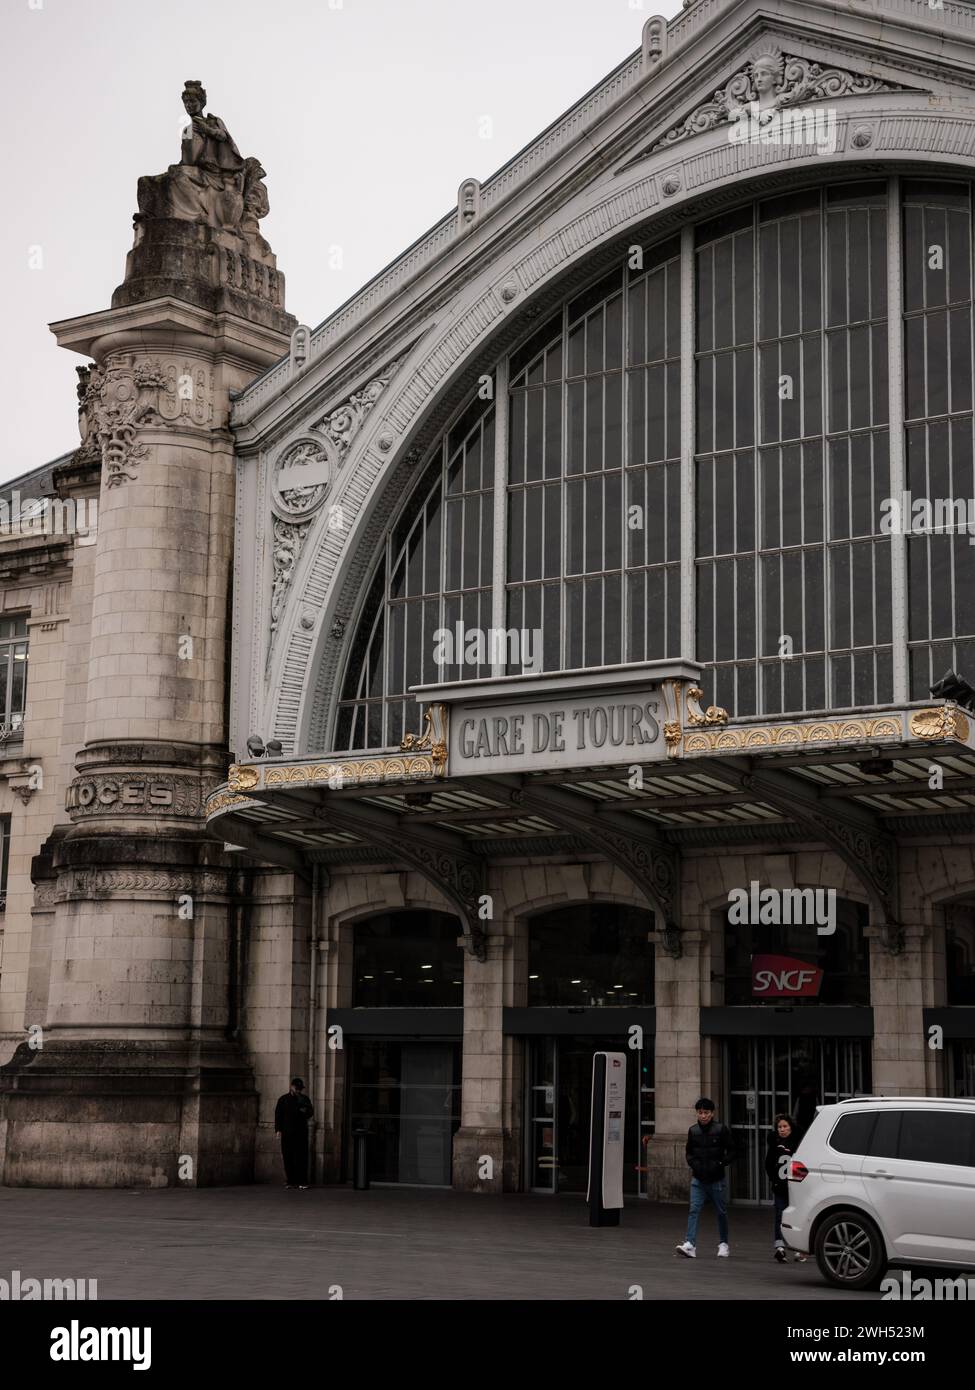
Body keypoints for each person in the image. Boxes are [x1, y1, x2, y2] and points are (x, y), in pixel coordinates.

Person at [675, 1097, 736, 1258]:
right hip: (698, 1178)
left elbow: (732, 1150)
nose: (703, 1116)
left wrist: (721, 1163)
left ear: (712, 1113)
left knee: (721, 1212)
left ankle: (724, 1243)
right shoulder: (693, 1131)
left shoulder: (721, 1129)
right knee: (693, 1209)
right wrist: (694, 1164)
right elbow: (689, 1152)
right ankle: (690, 1244)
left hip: (716, 1178)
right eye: (700, 1113)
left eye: (706, 1113)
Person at [764, 1113, 806, 1262]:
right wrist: (774, 1180)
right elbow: (768, 1164)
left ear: (791, 1127)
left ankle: (798, 1250)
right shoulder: (775, 1144)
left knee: (797, 1216)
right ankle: (780, 1247)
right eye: (779, 1127)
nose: (782, 1129)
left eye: (785, 1126)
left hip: (795, 1186)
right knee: (779, 1215)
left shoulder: (798, 1142)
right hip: (780, 1186)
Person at [274, 1077, 314, 1189]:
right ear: (291, 1087)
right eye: (297, 1089)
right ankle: (291, 1180)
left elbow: (310, 1112)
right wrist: (278, 1130)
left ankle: (302, 1181)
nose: (298, 1091)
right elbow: (278, 1116)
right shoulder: (283, 1099)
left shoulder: (304, 1099)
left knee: (301, 1157)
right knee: (288, 1156)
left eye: (300, 1089)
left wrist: (304, 1110)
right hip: (287, 1133)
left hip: (301, 1133)